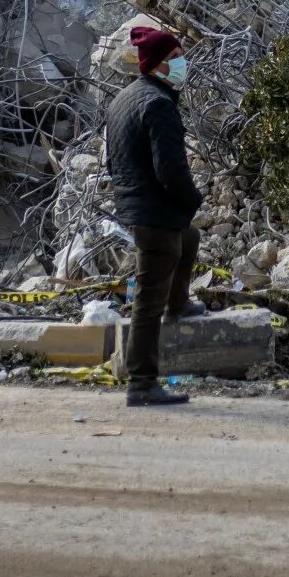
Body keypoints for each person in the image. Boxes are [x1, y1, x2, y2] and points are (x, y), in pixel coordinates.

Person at [105, 25, 207, 406]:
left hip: (141, 208)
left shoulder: (124, 99)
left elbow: (112, 162)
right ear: (160, 66)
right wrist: (191, 199)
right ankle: (142, 383)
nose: (182, 62)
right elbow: (171, 171)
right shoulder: (159, 105)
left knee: (190, 237)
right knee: (148, 301)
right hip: (155, 211)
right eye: (176, 56)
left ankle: (179, 303)